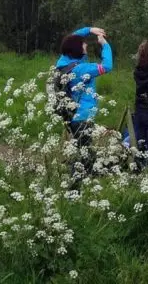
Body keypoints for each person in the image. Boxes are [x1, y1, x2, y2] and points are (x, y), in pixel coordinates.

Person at [53, 26, 112, 184]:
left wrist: (90, 30)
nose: (86, 44)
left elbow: (71, 38)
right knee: (83, 154)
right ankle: (75, 188)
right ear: (77, 49)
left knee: (83, 150)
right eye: (83, 44)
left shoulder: (63, 62)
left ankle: (86, 180)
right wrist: (105, 45)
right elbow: (107, 66)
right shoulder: (81, 69)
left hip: (72, 116)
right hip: (83, 116)